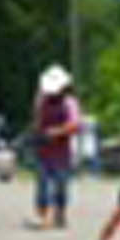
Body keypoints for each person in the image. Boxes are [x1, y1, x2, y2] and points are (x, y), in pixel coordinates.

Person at [33, 65, 82, 228]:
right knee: (42, 186)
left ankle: (59, 213)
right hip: (44, 152)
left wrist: (56, 132)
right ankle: (44, 216)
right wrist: (39, 135)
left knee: (61, 187)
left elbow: (75, 125)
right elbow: (38, 123)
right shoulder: (41, 102)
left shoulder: (70, 103)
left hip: (62, 153)